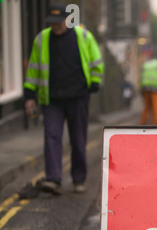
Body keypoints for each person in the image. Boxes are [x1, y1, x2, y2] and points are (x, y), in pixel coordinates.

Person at [24, 3, 104, 195]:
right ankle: (53, 179)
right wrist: (29, 96)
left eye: (58, 22)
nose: (55, 26)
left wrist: (94, 82)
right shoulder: (41, 39)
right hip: (51, 99)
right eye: (52, 22)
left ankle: (78, 179)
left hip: (78, 97)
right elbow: (33, 69)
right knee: (51, 137)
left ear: (67, 20)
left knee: (78, 140)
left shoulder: (83, 36)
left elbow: (96, 62)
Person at [140, 58, 157, 125]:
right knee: (156, 106)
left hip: (145, 88)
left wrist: (141, 89)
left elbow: (141, 77)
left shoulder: (145, 65)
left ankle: (142, 124)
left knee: (146, 106)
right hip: (156, 88)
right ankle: (155, 124)